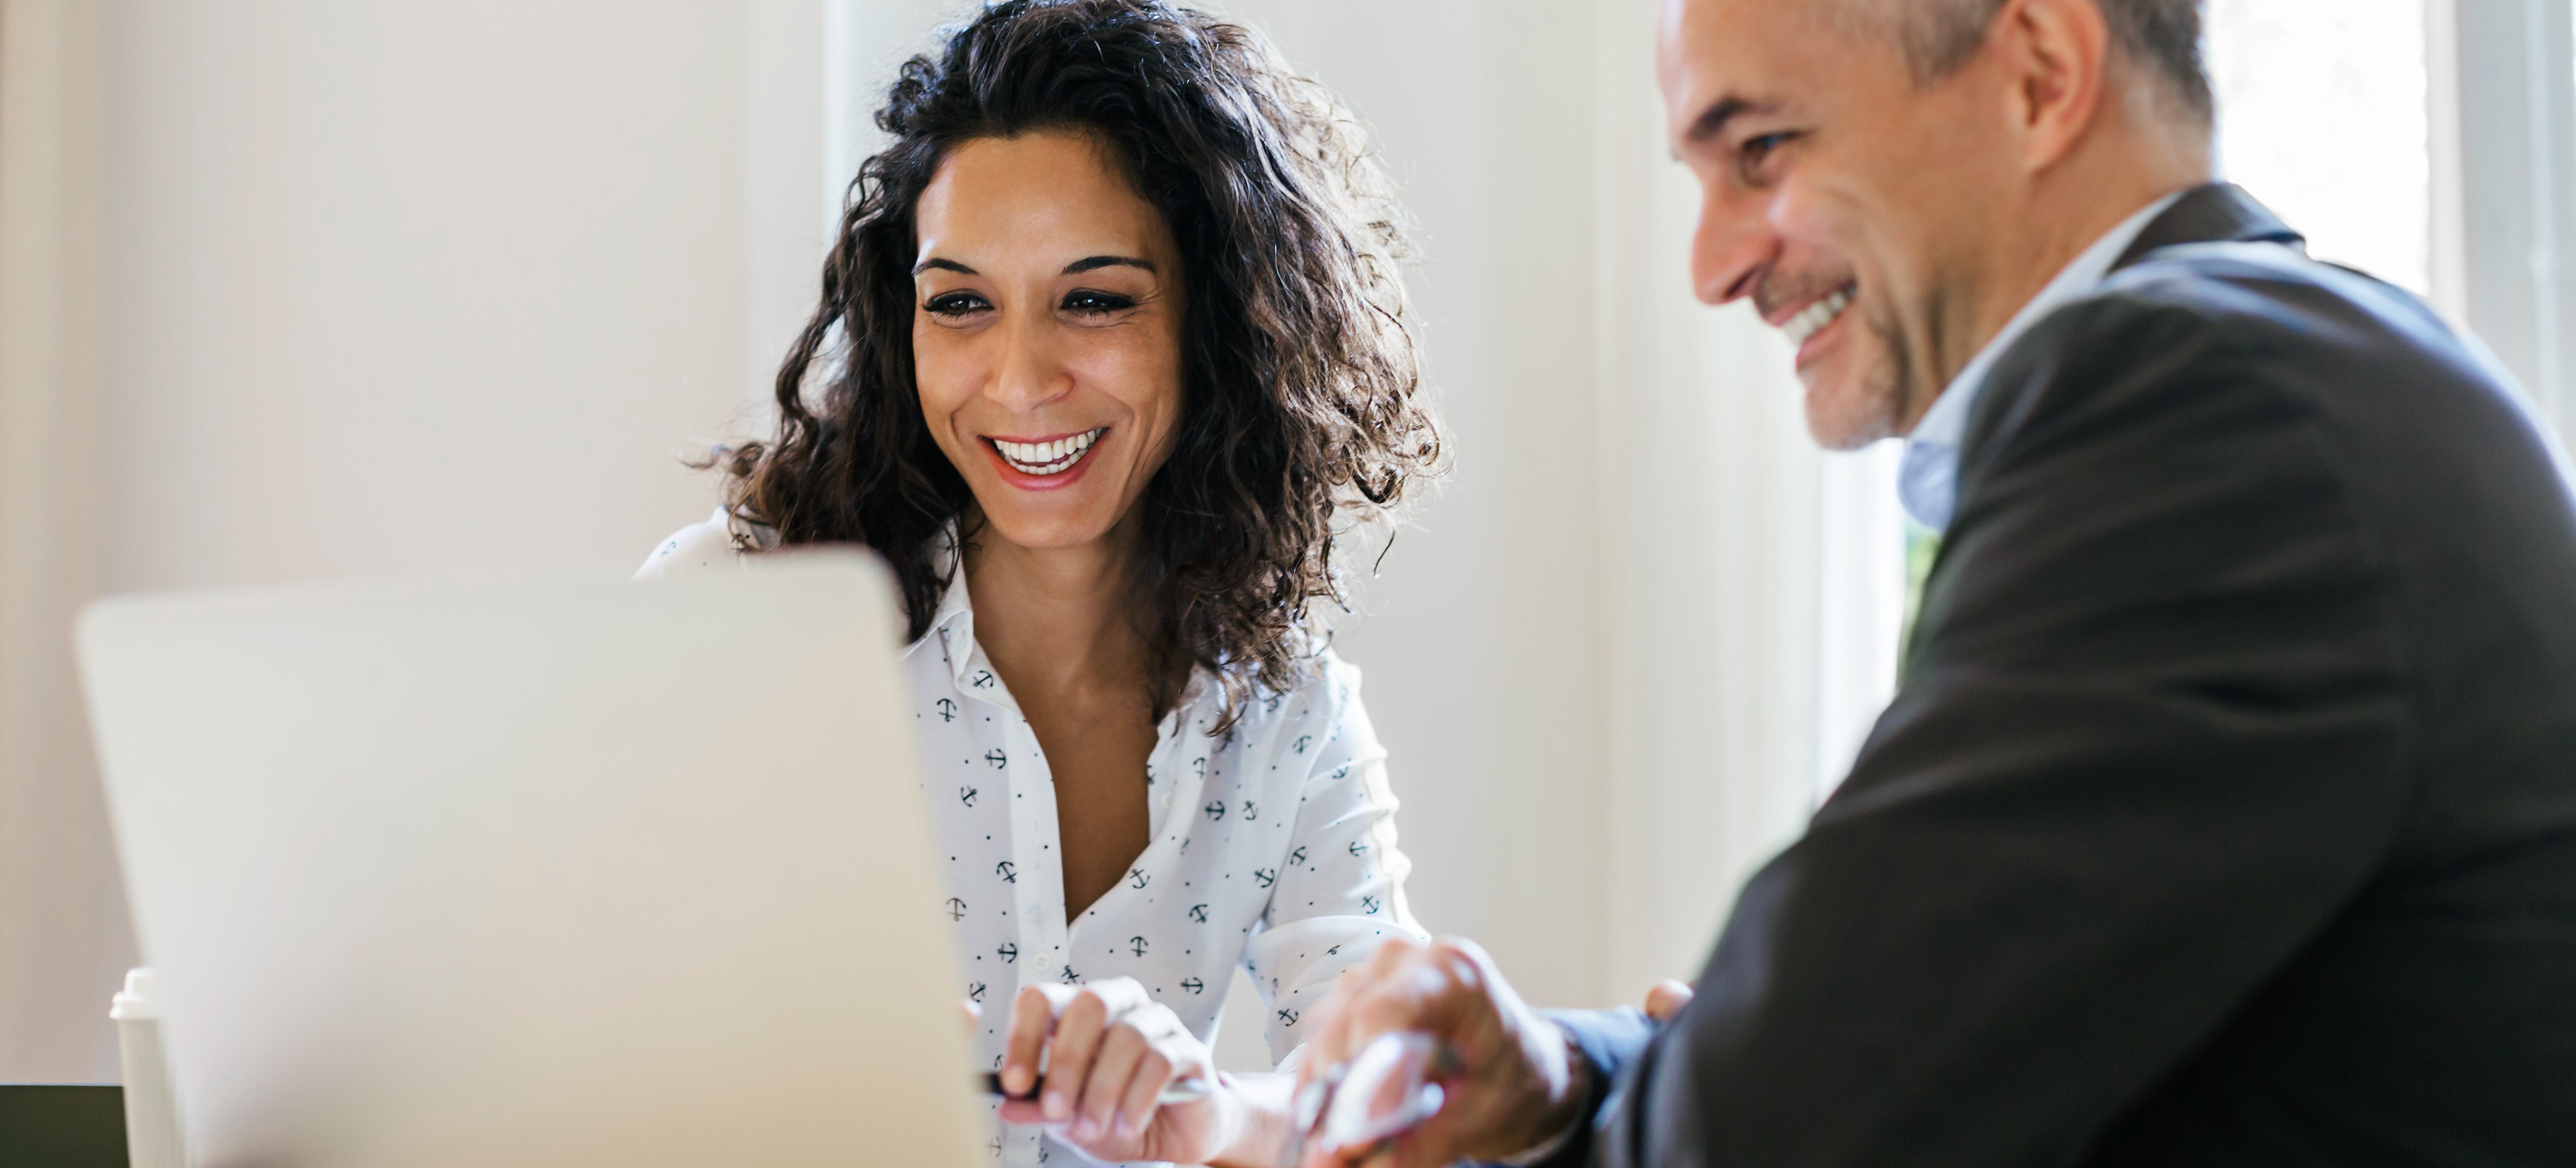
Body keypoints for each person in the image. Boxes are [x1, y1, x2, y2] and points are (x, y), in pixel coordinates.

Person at [1295, 0, 2576, 1165]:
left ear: (2037, 74)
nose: (1713, 266)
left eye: (1762, 151)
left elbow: (1784, 1126)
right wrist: (1570, 1077)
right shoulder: (2300, 368)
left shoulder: (2200, 411)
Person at [636, 3, 1443, 1165]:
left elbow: (1392, 1106)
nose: (1018, 382)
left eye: (1095, 299)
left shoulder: (1287, 715)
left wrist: (1210, 1108)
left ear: (1214, 320)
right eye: (960, 302)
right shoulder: (738, 613)